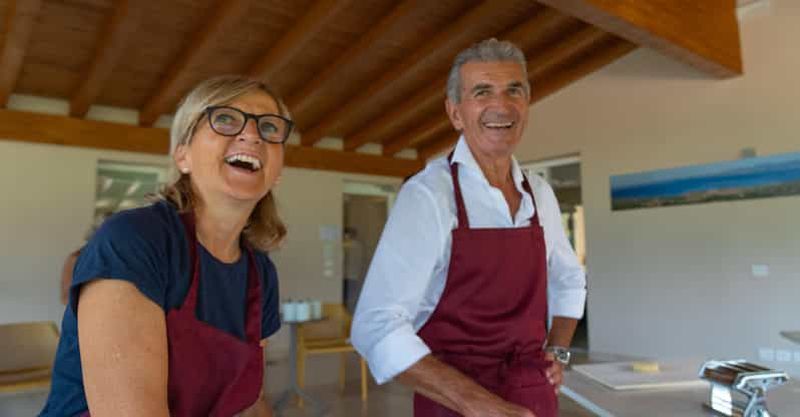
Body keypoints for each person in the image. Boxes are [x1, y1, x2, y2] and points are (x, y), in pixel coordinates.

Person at [351, 39, 587, 417]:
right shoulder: (428, 195)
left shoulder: (539, 193)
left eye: (515, 90)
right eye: (482, 92)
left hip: (533, 393)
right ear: (455, 112)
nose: (502, 104)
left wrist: (556, 350)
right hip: (455, 403)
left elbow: (570, 279)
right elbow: (375, 326)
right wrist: (482, 406)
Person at [40, 75, 293, 417]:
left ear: (277, 170)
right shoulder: (134, 239)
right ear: (183, 155)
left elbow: (251, 404)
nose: (252, 134)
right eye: (225, 119)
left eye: (269, 127)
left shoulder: (260, 274)